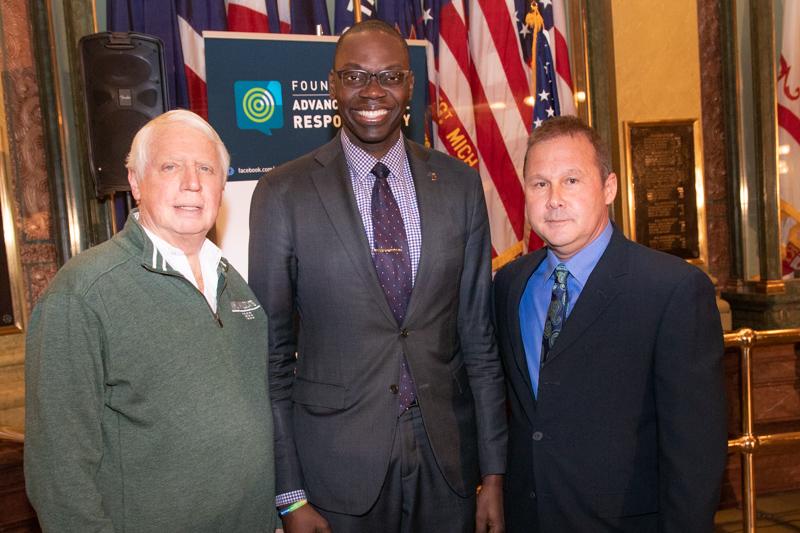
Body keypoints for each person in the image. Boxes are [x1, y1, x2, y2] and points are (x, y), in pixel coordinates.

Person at [248, 19, 506, 533]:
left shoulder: (458, 184)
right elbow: (270, 355)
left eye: (389, 77)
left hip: (447, 462)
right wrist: (291, 497)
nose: (372, 91)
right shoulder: (283, 193)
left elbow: (479, 338)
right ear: (332, 84)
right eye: (355, 76)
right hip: (335, 471)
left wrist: (494, 473)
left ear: (411, 86)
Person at [24, 109, 276, 533]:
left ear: (221, 185)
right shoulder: (82, 294)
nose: (192, 182)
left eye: (206, 168)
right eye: (170, 166)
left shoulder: (235, 284)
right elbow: (58, 472)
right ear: (136, 183)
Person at [493, 115, 727, 532]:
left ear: (609, 188)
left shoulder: (672, 290)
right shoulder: (511, 284)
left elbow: (696, 451)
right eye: (539, 183)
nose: (554, 199)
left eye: (572, 180)